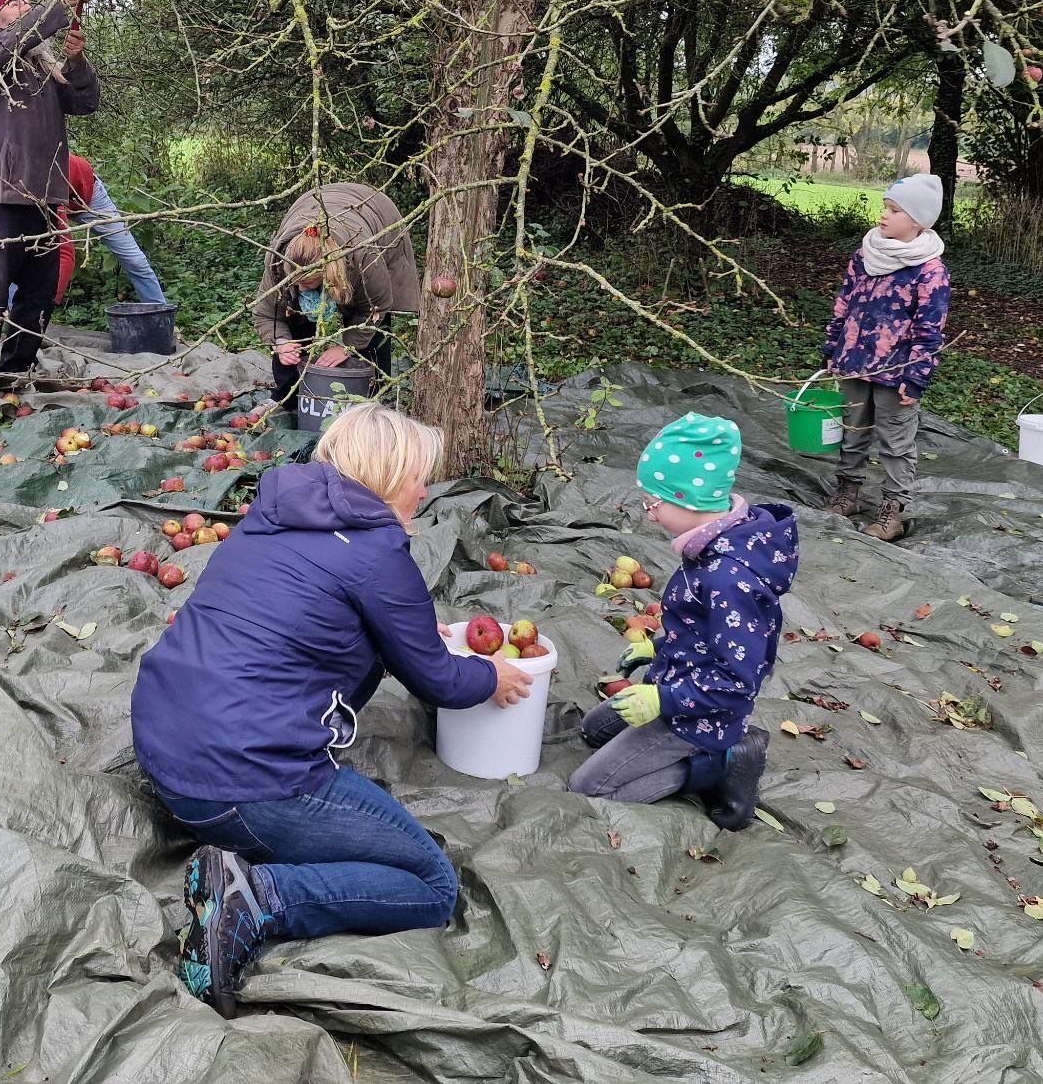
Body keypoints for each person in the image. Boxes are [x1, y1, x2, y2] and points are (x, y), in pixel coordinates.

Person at [131, 402, 530, 1017]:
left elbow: (312, 610)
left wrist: (418, 632)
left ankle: (245, 874)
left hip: (164, 748)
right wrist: (491, 674)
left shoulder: (271, 515)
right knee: (432, 886)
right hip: (245, 781)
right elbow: (439, 681)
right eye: (420, 475)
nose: (426, 489)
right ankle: (259, 898)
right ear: (390, 477)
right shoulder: (376, 554)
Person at [568, 413, 795, 825]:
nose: (649, 515)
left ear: (689, 499)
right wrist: (655, 647)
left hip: (701, 713)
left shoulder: (730, 578)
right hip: (676, 681)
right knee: (591, 730)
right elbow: (699, 629)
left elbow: (738, 681)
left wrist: (661, 700)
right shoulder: (707, 549)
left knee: (590, 789)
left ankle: (721, 763)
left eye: (654, 503)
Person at [0, 0, 98, 374]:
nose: (25, 6)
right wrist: (59, 6)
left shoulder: (45, 71)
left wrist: (76, 60)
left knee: (37, 295)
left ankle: (15, 375)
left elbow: (84, 103)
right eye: (13, 4)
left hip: (45, 201)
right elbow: (19, 37)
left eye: (27, 2)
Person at [820, 172, 952, 542]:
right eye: (885, 207)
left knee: (895, 442)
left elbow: (930, 331)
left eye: (894, 210)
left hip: (896, 373)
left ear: (917, 221)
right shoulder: (865, 255)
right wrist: (832, 346)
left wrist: (917, 377)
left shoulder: (930, 271)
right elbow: (843, 304)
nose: (883, 215)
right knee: (852, 430)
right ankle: (848, 492)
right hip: (854, 363)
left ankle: (892, 510)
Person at [253, 184, 421, 408]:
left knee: (371, 329)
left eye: (310, 283)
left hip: (375, 211)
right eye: (298, 282)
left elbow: (376, 308)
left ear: (330, 274)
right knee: (291, 311)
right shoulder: (278, 260)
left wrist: (347, 346)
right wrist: (281, 343)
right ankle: (288, 396)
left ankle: (371, 396)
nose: (303, 289)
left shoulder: (364, 259)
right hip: (312, 204)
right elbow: (267, 313)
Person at [54, 153, 167, 306]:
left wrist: (48, 303)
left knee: (135, 260)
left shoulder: (46, 176)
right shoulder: (17, 188)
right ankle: (12, 317)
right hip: (51, 198)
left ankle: (161, 316)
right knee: (20, 252)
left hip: (89, 196)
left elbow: (65, 254)